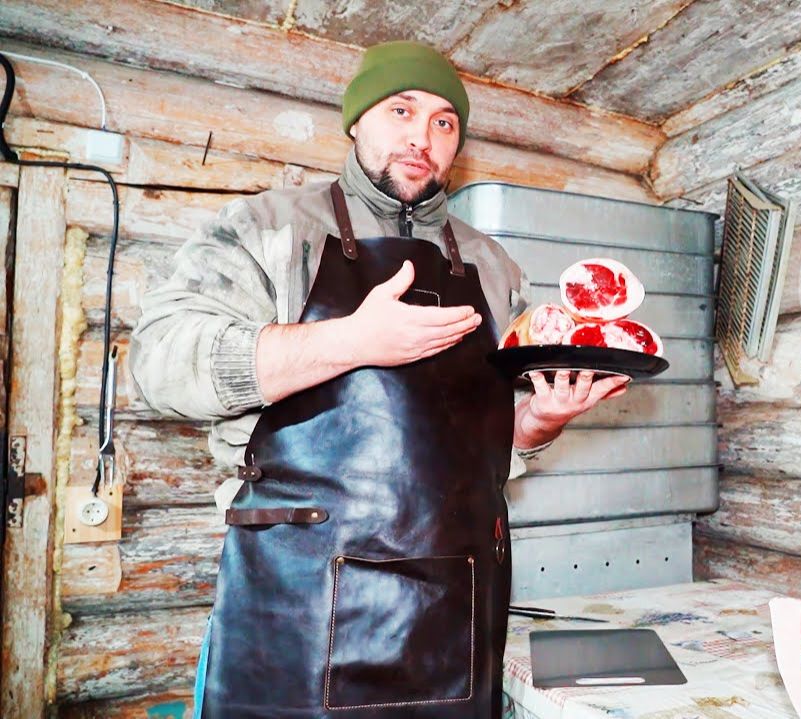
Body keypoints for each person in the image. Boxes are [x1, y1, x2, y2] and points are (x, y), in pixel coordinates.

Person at [129, 40, 628, 718]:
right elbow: (158, 363)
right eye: (401, 110)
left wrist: (538, 422)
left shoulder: (495, 268)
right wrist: (349, 341)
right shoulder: (269, 228)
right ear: (357, 120)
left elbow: (481, 444)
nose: (422, 137)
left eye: (444, 122)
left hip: (455, 611)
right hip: (297, 604)